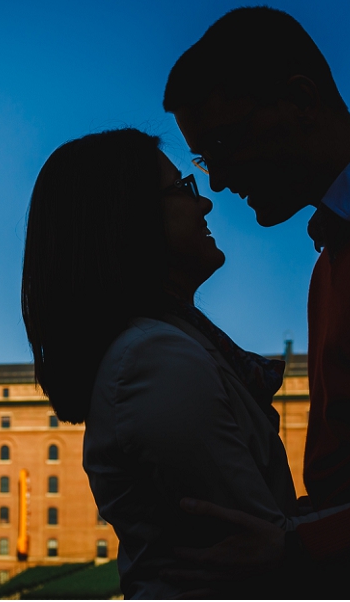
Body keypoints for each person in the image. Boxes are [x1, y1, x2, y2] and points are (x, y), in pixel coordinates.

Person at [162, 7, 350, 598]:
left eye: (223, 144)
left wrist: (302, 544)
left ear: (299, 100)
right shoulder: (330, 258)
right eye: (204, 161)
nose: (219, 181)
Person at [21, 129, 316, 598]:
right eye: (182, 189)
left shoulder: (160, 348)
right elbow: (260, 542)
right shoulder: (154, 360)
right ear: (128, 219)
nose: (206, 204)